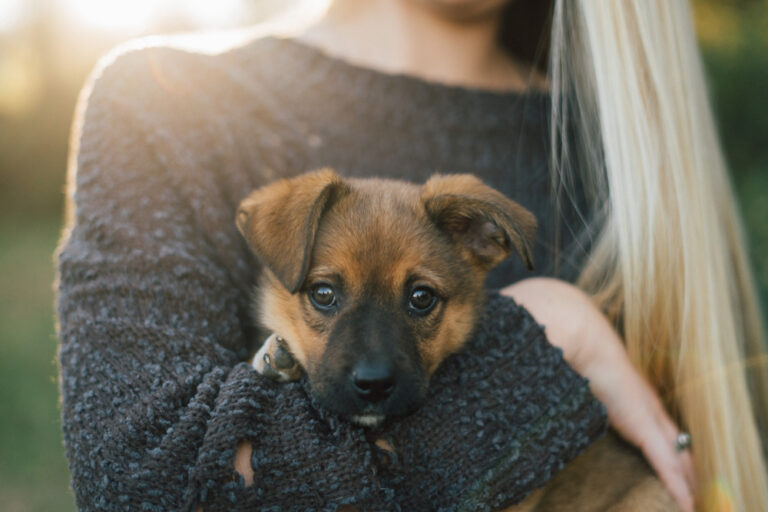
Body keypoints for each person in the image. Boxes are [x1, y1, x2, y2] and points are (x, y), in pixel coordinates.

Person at [55, 0, 767, 510]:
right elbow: (143, 485)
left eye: (420, 299)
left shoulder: (634, 165)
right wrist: (548, 333)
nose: (370, 363)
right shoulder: (165, 106)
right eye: (325, 298)